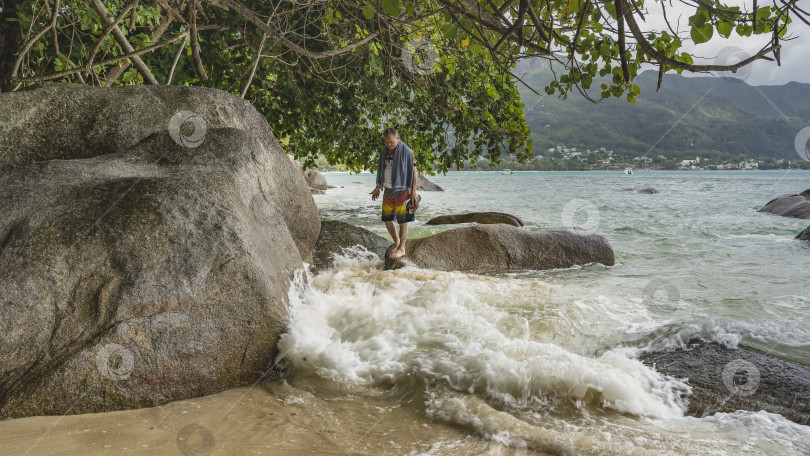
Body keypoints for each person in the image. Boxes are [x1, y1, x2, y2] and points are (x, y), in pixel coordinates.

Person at [370, 127, 418, 259]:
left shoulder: (408, 152)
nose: (388, 145)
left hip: (403, 190)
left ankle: (402, 248)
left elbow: (415, 172)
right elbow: (381, 171)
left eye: (391, 142)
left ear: (397, 138)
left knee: (403, 221)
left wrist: (413, 191)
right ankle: (396, 241)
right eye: (386, 142)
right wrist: (378, 187)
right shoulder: (384, 152)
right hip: (388, 190)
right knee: (387, 219)